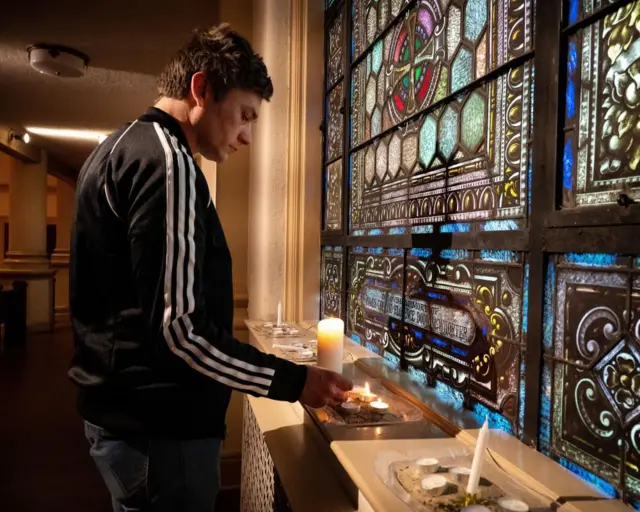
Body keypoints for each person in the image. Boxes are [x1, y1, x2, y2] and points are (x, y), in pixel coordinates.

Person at [68, 23, 353, 512]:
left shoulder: (115, 149)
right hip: (161, 431)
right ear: (201, 90)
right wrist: (295, 381)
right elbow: (182, 332)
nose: (246, 135)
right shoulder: (170, 162)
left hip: (121, 420)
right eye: (244, 115)